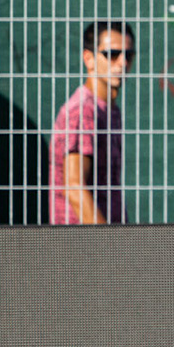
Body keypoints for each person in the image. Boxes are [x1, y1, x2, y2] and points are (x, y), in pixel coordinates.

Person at [50, 21, 133, 225]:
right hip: (83, 241)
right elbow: (74, 187)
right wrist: (107, 240)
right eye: (112, 54)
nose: (122, 62)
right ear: (89, 58)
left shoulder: (109, 110)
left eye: (128, 55)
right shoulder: (83, 110)